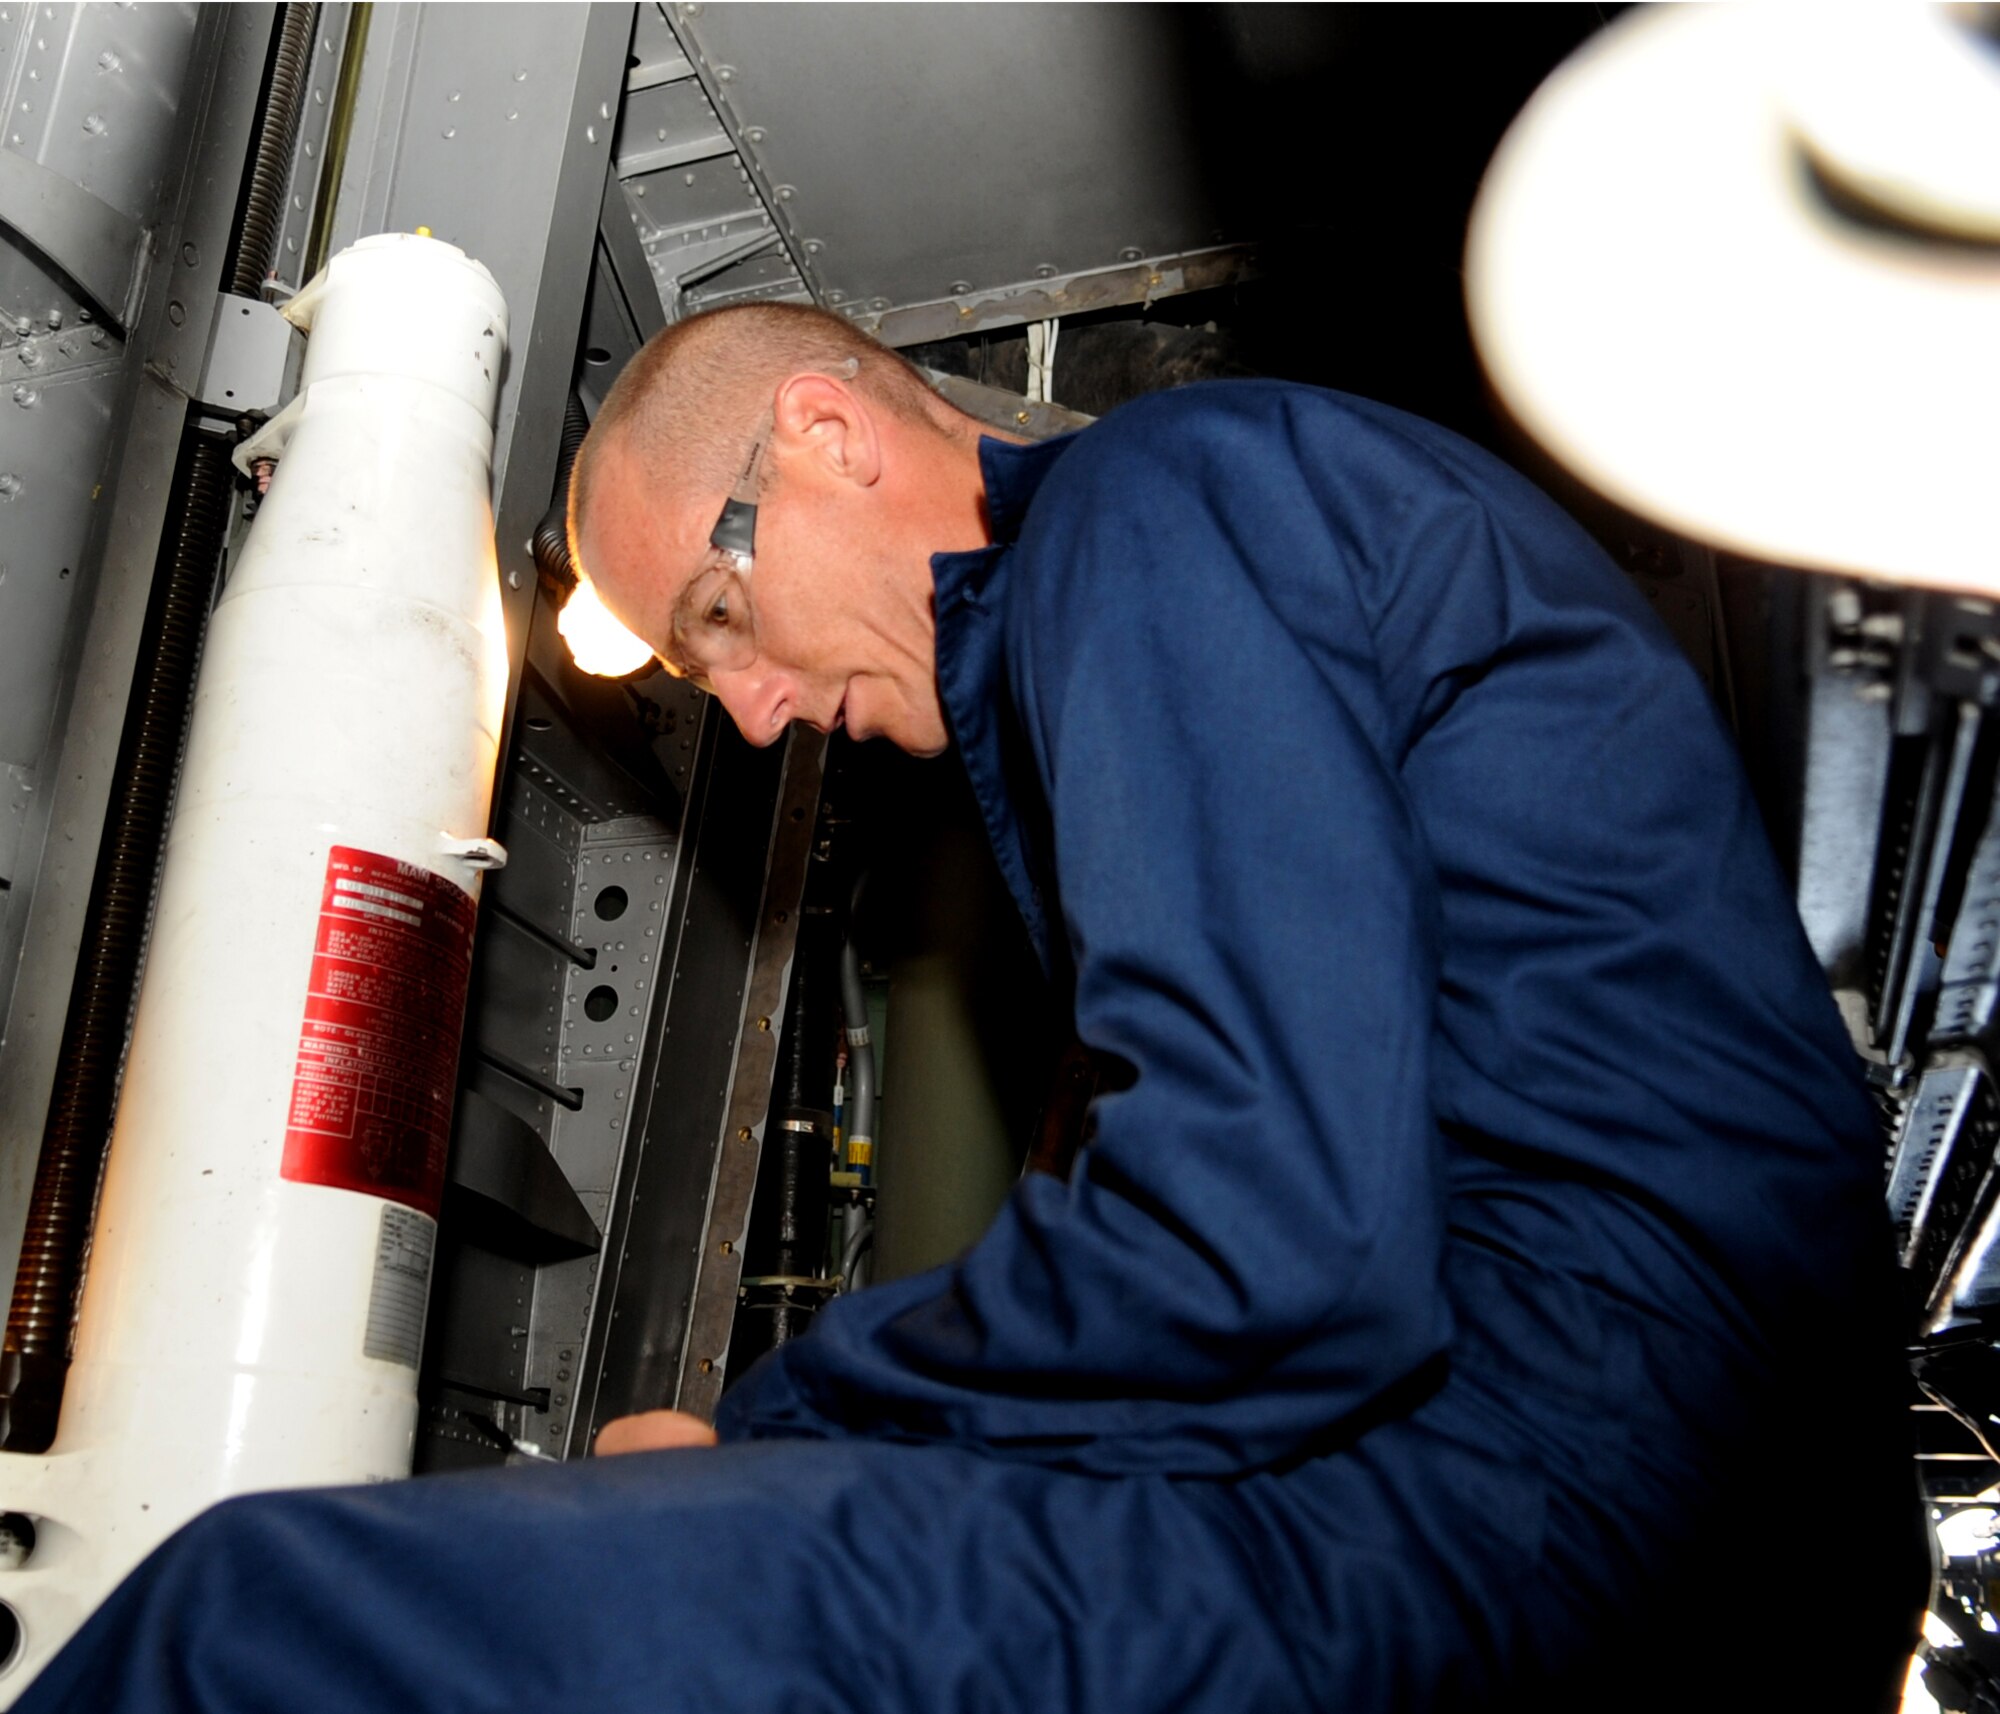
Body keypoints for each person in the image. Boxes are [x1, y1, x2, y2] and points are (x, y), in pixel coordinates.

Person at [21, 304, 1925, 1712]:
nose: (750, 710)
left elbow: (1271, 1240)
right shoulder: (1182, 586)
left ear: (828, 430)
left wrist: (777, 1432)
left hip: (1557, 1496)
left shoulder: (1152, 511)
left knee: (258, 1625)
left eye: (715, 617)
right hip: (1692, 1528)